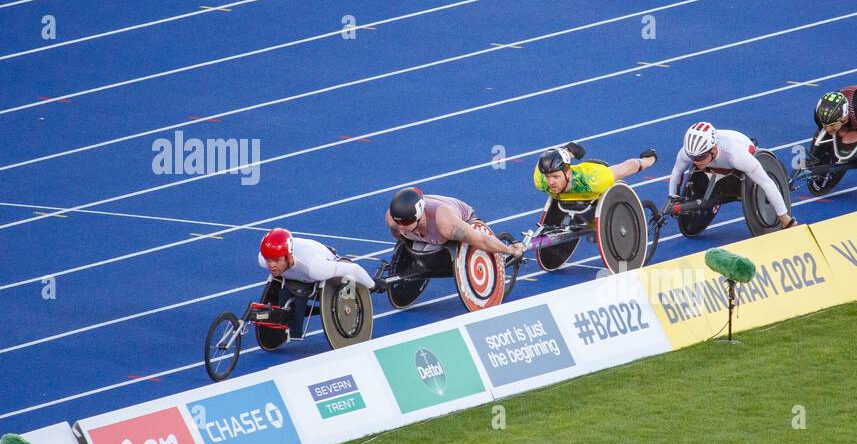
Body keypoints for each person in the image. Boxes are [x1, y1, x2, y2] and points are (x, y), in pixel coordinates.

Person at [666, 123, 796, 229]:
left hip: (740, 154)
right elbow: (677, 172)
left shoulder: (736, 155)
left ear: (714, 149)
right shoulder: (688, 152)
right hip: (718, 165)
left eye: (700, 157)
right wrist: (674, 198)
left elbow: (767, 183)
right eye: (692, 157)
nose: (695, 161)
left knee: (758, 178)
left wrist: (784, 218)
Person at [257, 227, 375, 336]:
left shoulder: (315, 268)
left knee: (300, 296)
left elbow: (353, 269)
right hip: (295, 275)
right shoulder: (263, 259)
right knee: (283, 294)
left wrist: (372, 285)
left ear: (289, 257)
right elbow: (270, 258)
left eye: (277, 260)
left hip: (317, 263)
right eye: (268, 259)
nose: (271, 265)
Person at [386, 187, 524, 260]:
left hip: (461, 219)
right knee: (420, 252)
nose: (401, 227)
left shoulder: (446, 225)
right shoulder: (393, 220)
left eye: (405, 222)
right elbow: (400, 236)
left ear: (418, 216)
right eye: (398, 223)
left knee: (431, 252)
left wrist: (508, 250)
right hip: (430, 229)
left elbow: (481, 240)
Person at [533, 141, 657, 201]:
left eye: (555, 177)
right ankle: (569, 151)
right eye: (548, 177)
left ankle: (570, 151)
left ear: (567, 172)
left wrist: (647, 160)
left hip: (595, 168)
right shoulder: (541, 180)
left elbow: (626, 168)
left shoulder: (593, 181)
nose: (551, 182)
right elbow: (549, 154)